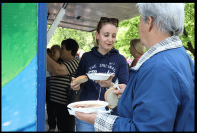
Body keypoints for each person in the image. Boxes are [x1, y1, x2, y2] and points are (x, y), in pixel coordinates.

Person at [73, 3, 194, 132]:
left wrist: (98, 119)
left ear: (150, 21)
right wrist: (130, 93)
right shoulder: (182, 56)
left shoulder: (159, 67)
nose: (139, 27)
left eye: (140, 20)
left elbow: (145, 128)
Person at [70, 17, 129, 131]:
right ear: (97, 35)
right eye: (106, 35)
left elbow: (124, 87)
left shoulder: (120, 59)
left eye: (113, 36)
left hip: (109, 114)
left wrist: (110, 85)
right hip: (86, 112)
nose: (110, 39)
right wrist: (74, 85)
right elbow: (78, 81)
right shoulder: (87, 57)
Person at [46, 39, 79, 132]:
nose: (60, 50)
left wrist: (43, 53)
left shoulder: (74, 62)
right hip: (58, 104)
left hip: (65, 105)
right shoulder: (62, 62)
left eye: (63, 48)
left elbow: (58, 70)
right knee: (61, 127)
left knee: (66, 128)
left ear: (70, 50)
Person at [46, 45, 61, 132]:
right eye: (51, 52)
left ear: (60, 53)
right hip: (49, 91)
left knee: (59, 111)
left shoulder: (61, 64)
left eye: (54, 52)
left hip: (58, 94)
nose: (52, 54)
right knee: (50, 109)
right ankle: (51, 127)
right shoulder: (49, 62)